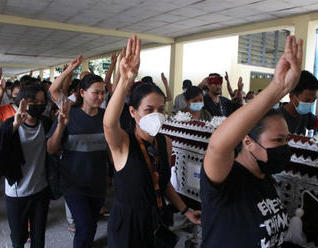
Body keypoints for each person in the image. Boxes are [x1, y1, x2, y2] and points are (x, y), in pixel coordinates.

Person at [201, 36, 303, 247]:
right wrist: (277, 88)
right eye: (277, 140)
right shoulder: (227, 180)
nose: (284, 147)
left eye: (286, 139)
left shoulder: (266, 179)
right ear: (247, 142)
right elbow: (218, 145)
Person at [104, 35, 201, 248]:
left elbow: (163, 183)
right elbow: (109, 124)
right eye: (149, 110)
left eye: (160, 110)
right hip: (128, 224)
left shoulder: (163, 141)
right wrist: (125, 80)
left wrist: (185, 210)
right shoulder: (123, 143)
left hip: (157, 218)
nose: (156, 115)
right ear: (132, 112)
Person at [47, 72, 109, 248]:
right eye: (96, 92)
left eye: (103, 92)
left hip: (98, 183)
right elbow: (50, 148)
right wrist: (60, 125)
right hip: (73, 183)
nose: (100, 96)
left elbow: (112, 150)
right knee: (85, 226)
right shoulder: (70, 115)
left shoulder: (106, 117)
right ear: (82, 93)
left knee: (91, 224)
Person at [0, 84, 51, 248]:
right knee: (18, 238)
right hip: (17, 193)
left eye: (42, 101)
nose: (38, 105)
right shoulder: (9, 125)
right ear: (22, 102)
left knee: (39, 238)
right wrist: (15, 125)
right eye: (33, 101)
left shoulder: (45, 123)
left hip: (40, 190)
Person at [279, 70, 318, 134]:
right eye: (307, 100)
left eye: (313, 100)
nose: (310, 104)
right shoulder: (276, 117)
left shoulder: (306, 115)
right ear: (292, 95)